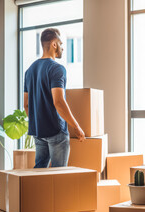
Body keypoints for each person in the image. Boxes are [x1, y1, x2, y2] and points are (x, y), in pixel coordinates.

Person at [23, 28, 85, 168]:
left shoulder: (29, 71)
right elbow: (58, 102)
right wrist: (76, 126)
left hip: (38, 131)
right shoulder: (57, 69)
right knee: (58, 175)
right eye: (61, 44)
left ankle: (36, 191)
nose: (63, 47)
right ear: (54, 44)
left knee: (39, 173)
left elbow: (26, 105)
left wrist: (38, 122)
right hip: (56, 130)